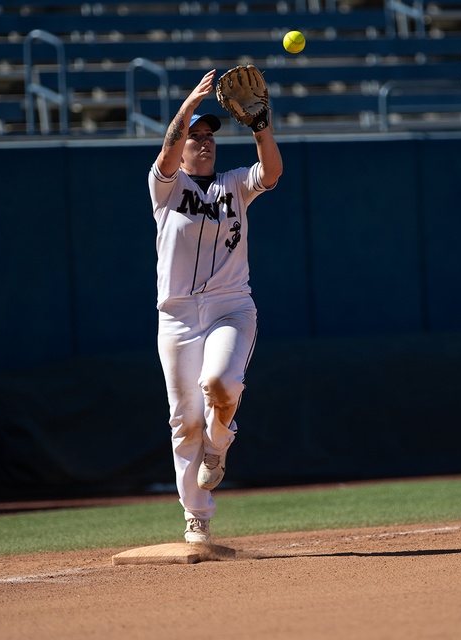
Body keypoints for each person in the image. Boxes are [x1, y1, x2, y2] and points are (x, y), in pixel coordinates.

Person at [147, 69, 283, 544]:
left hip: (230, 307)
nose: (203, 142)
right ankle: (197, 517)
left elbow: (271, 173)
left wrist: (260, 124)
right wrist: (187, 107)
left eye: (209, 136)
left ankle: (220, 444)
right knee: (184, 419)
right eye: (195, 136)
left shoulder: (233, 186)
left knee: (220, 383)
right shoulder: (165, 188)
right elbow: (166, 151)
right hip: (178, 315)